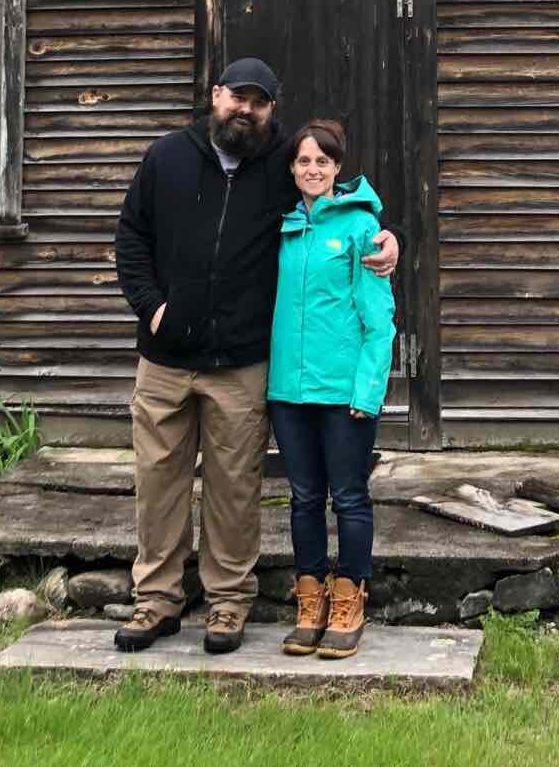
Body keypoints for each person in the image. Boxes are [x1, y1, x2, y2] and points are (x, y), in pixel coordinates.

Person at [111, 59, 399, 655]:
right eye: (236, 97)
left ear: (271, 110)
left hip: (240, 364)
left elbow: (338, 201)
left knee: (234, 489)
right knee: (158, 482)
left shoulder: (278, 168)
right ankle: (156, 602)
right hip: (165, 359)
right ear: (214, 96)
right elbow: (130, 237)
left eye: (258, 102)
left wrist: (390, 237)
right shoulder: (165, 157)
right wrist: (151, 307)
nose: (244, 109)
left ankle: (227, 605)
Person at [268, 118, 395, 659]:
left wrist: (367, 392)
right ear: (292, 170)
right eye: (303, 161)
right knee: (302, 499)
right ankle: (310, 598)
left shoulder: (363, 228)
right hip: (288, 393)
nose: (313, 169)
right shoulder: (282, 227)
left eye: (323, 161)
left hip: (343, 394)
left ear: (338, 168)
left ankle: (350, 598)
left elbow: (379, 319)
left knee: (348, 497)